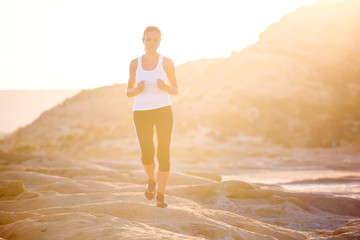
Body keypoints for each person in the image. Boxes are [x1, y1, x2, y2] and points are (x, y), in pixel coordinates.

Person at [126, 26, 178, 208]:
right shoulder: (134, 63)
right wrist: (137, 90)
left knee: (164, 153)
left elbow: (176, 89)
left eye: (155, 40)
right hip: (141, 112)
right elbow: (128, 92)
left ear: (160, 42)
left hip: (163, 109)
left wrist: (165, 87)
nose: (152, 43)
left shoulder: (167, 63)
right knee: (147, 153)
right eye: (149, 39)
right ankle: (151, 180)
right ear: (143, 40)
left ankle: (161, 195)